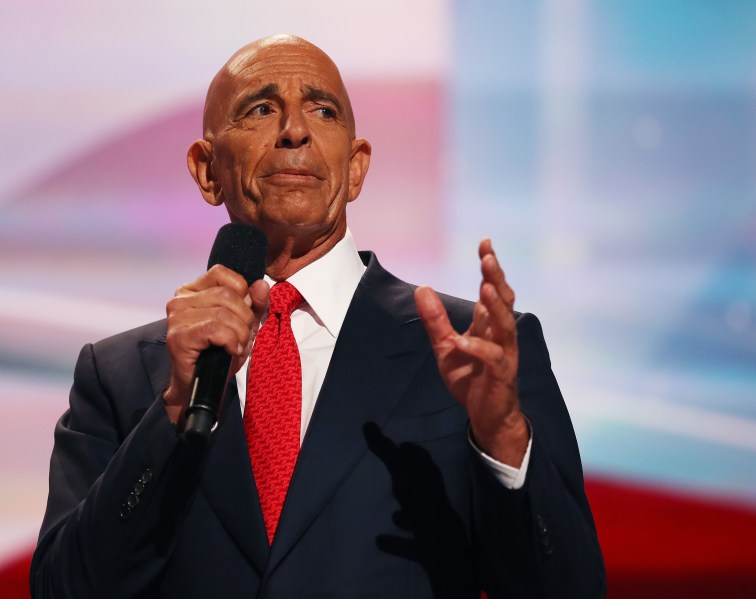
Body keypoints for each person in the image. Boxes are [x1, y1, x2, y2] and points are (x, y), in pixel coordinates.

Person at [30, 35, 605, 598]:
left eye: (322, 110)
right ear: (207, 170)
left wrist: (502, 436)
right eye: (260, 109)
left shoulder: (472, 354)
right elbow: (63, 587)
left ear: (355, 168)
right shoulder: (120, 376)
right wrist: (175, 410)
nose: (295, 131)